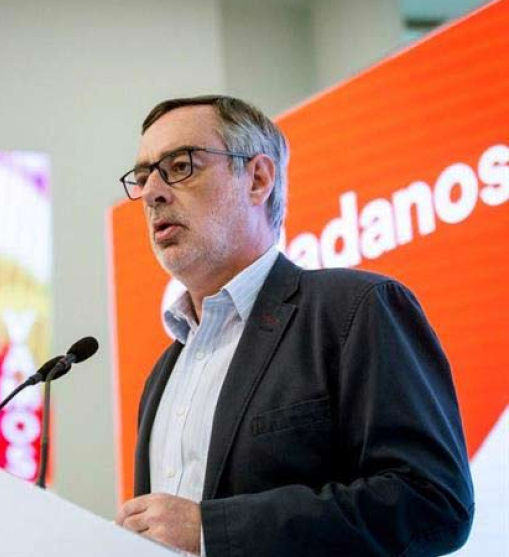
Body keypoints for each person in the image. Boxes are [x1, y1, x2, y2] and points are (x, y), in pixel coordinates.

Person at [113, 95, 473, 556]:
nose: (152, 193)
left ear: (258, 179)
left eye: (180, 166)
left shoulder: (354, 309)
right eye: (143, 177)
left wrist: (211, 530)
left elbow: (432, 502)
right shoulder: (162, 375)